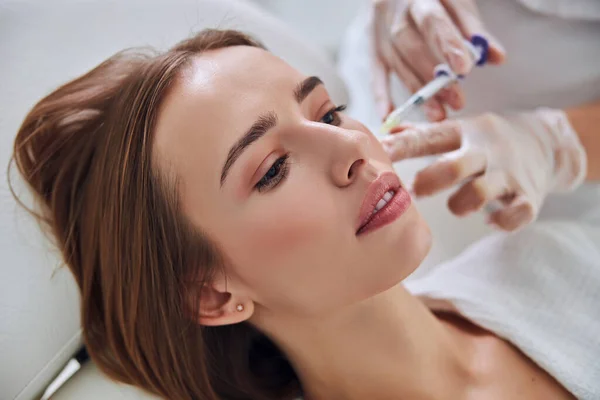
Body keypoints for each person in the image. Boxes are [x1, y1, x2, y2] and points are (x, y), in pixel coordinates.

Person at [10, 29, 599, 400]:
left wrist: (557, 142)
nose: (350, 150)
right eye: (271, 170)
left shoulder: (556, 263)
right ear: (211, 296)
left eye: (331, 113)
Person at [360, 0, 600, 230]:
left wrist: (549, 143)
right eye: (330, 116)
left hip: (547, 191)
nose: (351, 140)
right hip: (385, 68)